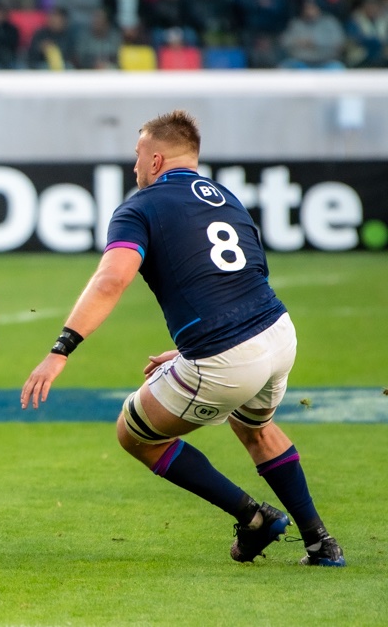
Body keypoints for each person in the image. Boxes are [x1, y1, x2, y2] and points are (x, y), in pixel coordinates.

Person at [20, 110, 345, 568]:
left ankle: (254, 518)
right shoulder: (226, 197)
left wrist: (61, 349)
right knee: (253, 426)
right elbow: (250, 270)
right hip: (277, 332)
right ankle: (321, 543)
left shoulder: (140, 206)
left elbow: (112, 280)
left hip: (226, 355)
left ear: (155, 160)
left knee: (134, 433)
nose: (134, 166)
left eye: (137, 156)